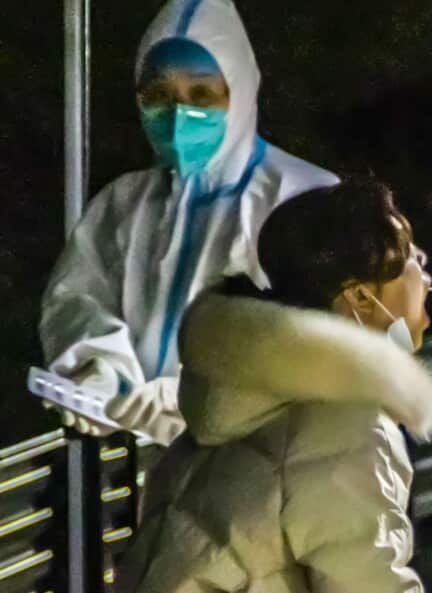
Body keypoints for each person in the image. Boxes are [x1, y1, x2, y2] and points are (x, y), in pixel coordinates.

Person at [107, 178, 432, 593]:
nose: (425, 269)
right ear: (361, 295)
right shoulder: (346, 414)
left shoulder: (236, 389)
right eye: (410, 255)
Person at [40, 0, 337, 445]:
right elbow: (77, 299)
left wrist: (199, 395)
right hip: (137, 474)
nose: (178, 115)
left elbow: (327, 348)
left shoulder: (306, 199)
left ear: (238, 88)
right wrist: (100, 370)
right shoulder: (124, 205)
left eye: (201, 94)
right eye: (158, 95)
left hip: (258, 477)